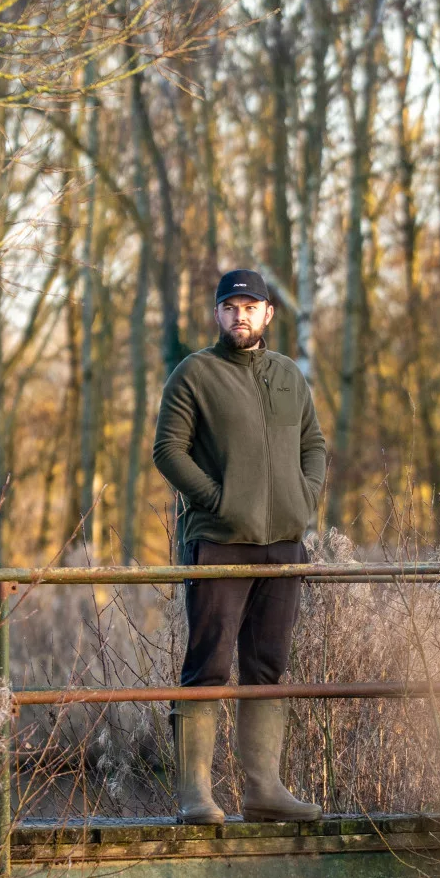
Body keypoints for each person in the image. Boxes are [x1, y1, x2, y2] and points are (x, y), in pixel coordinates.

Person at [152, 269, 326, 823]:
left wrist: (304, 498)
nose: (239, 316)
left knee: (267, 666)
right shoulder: (195, 374)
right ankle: (195, 796)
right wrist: (219, 501)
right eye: (230, 307)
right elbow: (168, 450)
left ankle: (263, 791)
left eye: (250, 307)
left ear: (268, 313)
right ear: (217, 315)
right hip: (220, 543)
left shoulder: (289, 375)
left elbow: (314, 444)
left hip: (284, 546)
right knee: (208, 666)